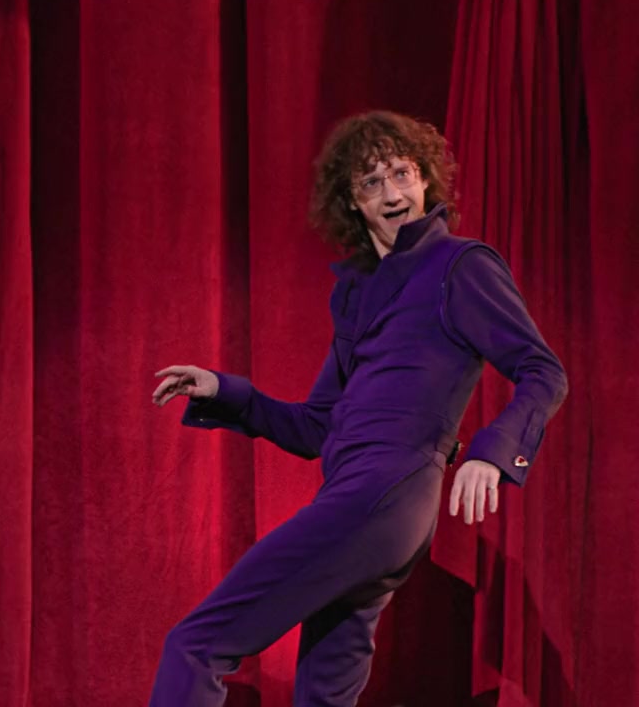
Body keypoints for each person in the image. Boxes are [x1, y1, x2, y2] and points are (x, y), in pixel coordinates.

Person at [146, 111, 568, 706]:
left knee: (197, 644)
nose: (392, 194)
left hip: (385, 491)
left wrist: (493, 454)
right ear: (351, 201)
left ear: (425, 179)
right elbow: (316, 427)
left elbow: (543, 371)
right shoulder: (355, 293)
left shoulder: (460, 266)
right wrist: (225, 391)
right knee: (324, 691)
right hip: (361, 497)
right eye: (371, 182)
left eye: (402, 173)